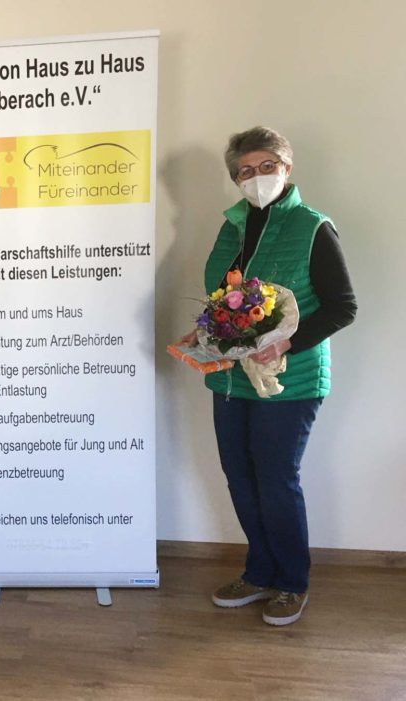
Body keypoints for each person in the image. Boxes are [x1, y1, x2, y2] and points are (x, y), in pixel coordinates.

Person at [181, 127, 356, 626]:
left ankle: (291, 583)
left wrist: (286, 343)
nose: (257, 177)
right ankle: (259, 572)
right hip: (230, 378)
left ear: (286, 168)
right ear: (235, 178)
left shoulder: (312, 226)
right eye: (245, 171)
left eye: (267, 166)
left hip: (289, 378)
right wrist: (205, 331)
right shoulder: (231, 227)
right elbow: (223, 299)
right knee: (240, 476)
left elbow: (343, 307)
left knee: (276, 480)